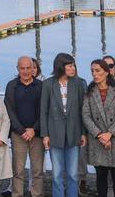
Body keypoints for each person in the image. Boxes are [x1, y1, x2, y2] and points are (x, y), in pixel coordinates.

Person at [40, 52, 87, 197]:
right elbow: (43, 110)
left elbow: (82, 109)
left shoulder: (79, 83)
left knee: (73, 174)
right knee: (56, 174)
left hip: (74, 132)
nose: (73, 68)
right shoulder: (48, 84)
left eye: (73, 65)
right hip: (54, 134)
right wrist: (45, 134)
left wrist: (83, 132)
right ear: (61, 66)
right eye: (70, 65)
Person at [83, 58, 115, 197]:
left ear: (106, 72)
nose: (94, 74)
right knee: (101, 175)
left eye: (97, 71)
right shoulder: (89, 92)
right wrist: (99, 135)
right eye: (92, 71)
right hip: (98, 139)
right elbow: (86, 116)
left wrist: (109, 134)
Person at [6, 56, 44, 197]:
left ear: (33, 68)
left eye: (29, 68)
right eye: (23, 68)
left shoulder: (40, 86)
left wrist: (34, 129)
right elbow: (9, 110)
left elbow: (44, 110)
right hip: (18, 134)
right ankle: (17, 194)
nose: (26, 71)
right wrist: (22, 130)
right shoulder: (12, 86)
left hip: (37, 134)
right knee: (18, 170)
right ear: (18, 69)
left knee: (37, 170)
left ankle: (36, 194)